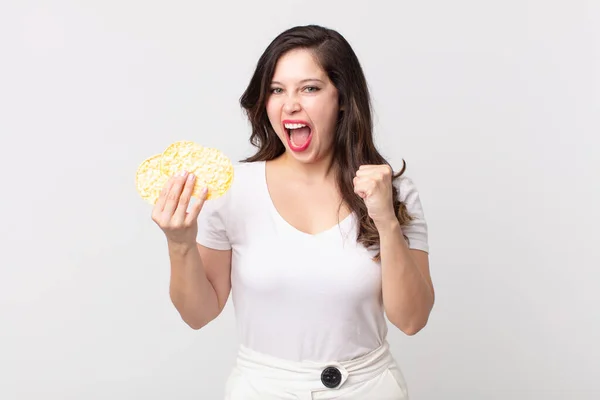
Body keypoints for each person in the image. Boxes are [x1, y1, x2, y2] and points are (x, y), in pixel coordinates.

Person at [152, 24, 435, 400]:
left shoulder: (392, 190)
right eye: (276, 90)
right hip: (261, 389)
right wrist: (180, 243)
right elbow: (198, 314)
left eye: (310, 88)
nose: (290, 104)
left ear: (343, 98)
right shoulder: (232, 191)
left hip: (368, 388)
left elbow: (412, 320)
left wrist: (385, 219)